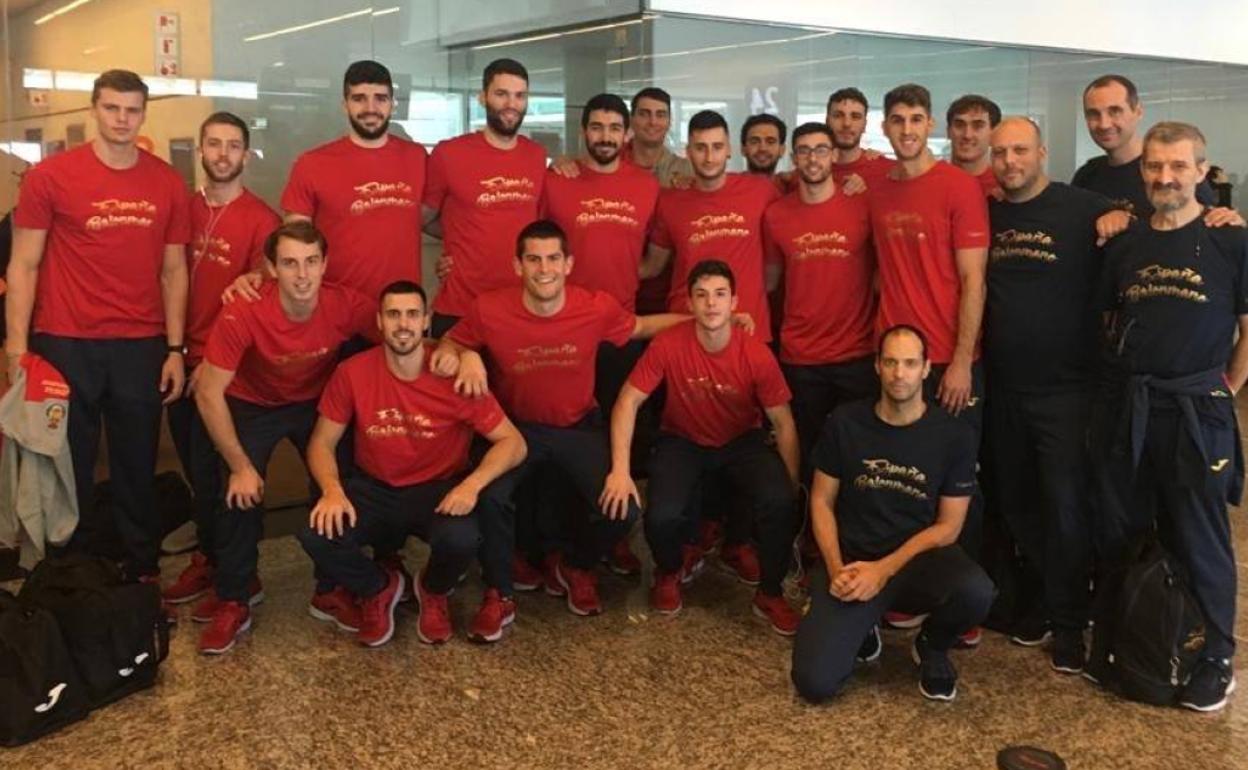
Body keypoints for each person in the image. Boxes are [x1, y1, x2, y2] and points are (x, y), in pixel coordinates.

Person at [434, 219, 693, 641]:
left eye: (553, 258)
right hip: (516, 434)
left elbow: (642, 328)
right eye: (533, 259)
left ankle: (575, 564)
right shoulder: (489, 308)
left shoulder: (594, 306)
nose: (544, 269)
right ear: (517, 266)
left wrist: (702, 319)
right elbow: (451, 342)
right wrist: (463, 355)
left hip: (577, 429)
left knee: (623, 509)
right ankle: (499, 593)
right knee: (491, 496)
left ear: (568, 264)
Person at [6, 69, 189, 582]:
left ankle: (140, 568)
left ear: (143, 114)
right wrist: (17, 349)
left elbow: (175, 270)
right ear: (94, 109)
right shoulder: (51, 178)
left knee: (136, 465)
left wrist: (175, 349)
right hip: (66, 342)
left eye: (132, 110)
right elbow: (23, 264)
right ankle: (73, 570)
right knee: (69, 465)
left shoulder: (167, 182)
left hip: (140, 344)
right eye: (112, 108)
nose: (121, 119)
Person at [1090, 121, 1246, 712]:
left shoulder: (1231, 240)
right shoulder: (1127, 242)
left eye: (1178, 166)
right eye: (1155, 166)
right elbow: (1109, 320)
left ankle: (1217, 658)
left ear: (1201, 172)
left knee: (1198, 532)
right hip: (1133, 406)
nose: (1165, 177)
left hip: (1195, 409)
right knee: (1125, 529)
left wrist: (1224, 386)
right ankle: (1127, 641)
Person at [297, 281, 526, 647]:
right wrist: (332, 490)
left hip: (436, 490)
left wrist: (472, 485)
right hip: (373, 490)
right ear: (380, 322)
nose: (403, 324)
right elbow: (322, 442)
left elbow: (514, 443)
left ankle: (433, 590)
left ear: (425, 321)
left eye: (411, 314)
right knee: (315, 534)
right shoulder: (353, 372)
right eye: (393, 314)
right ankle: (380, 587)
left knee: (462, 538)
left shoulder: (455, 375)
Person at [193, 220, 376, 654]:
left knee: (338, 485)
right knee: (238, 494)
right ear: (271, 268)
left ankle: (331, 588)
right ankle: (236, 596)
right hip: (252, 403)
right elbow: (207, 392)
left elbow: (404, 335)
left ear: (325, 264)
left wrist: (456, 354)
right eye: (290, 263)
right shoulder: (245, 309)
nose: (302, 275)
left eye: (312, 262)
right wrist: (240, 467)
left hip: (314, 401)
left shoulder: (345, 303)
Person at [790, 324, 992, 703]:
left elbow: (949, 527)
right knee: (814, 683)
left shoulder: (953, 435)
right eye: (892, 362)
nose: (900, 373)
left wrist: (883, 570)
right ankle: (863, 626)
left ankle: (932, 646)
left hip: (916, 561)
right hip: (853, 559)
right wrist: (836, 570)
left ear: (927, 368)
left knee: (976, 591)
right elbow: (820, 501)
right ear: (877, 367)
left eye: (910, 363)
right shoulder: (845, 422)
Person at [603, 260, 802, 636]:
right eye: (702, 295)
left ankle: (771, 593)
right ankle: (668, 570)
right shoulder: (669, 343)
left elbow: (784, 423)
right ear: (690, 304)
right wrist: (620, 469)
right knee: (661, 515)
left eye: (720, 295)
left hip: (741, 439)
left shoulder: (755, 353)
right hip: (683, 439)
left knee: (777, 501)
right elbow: (628, 401)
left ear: (734, 303)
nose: (711, 304)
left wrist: (790, 485)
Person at [983, 117, 1112, 670]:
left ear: (1042, 152)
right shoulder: (987, 212)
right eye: (1000, 152)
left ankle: (1069, 623)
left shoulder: (1083, 208)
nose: (1009, 161)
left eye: (1019, 150)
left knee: (1064, 508)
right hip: (1003, 388)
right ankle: (1045, 599)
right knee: (1014, 503)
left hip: (1066, 392)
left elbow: (1155, 220)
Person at [868, 83, 988, 643]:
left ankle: (959, 605)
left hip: (945, 362)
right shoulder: (875, 188)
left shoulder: (959, 187)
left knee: (954, 487)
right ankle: (905, 592)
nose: (908, 129)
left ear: (930, 123)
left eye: (917, 118)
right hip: (896, 364)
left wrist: (961, 360)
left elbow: (973, 280)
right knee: (901, 485)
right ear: (885, 127)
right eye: (897, 119)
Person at [163, 112, 281, 606]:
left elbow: (262, 292)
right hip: (178, 359)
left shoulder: (262, 220)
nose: (223, 154)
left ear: (246, 155)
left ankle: (229, 568)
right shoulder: (182, 211)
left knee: (219, 473)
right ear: (202, 150)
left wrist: (211, 363)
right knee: (194, 465)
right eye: (214, 144)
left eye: (234, 146)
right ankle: (212, 557)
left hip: (226, 370)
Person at [228, 61, 427, 305]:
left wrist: (455, 256)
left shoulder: (417, 158)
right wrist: (260, 273)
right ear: (345, 105)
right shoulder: (312, 164)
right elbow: (294, 244)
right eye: (359, 98)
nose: (370, 107)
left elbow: (437, 218)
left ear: (392, 104)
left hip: (402, 311)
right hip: (335, 312)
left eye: (380, 98)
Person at [763, 122, 876, 484]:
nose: (813, 158)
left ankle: (851, 531)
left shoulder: (862, 206)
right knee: (809, 448)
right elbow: (770, 282)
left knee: (857, 449)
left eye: (821, 149)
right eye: (805, 151)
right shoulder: (776, 215)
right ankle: (808, 529)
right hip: (800, 355)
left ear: (835, 155)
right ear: (794, 158)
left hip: (855, 354)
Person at [423, 58, 546, 337]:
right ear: (482, 97)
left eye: (519, 96)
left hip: (520, 307)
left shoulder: (536, 155)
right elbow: (422, 218)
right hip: (460, 308)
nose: (511, 104)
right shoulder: (449, 154)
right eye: (501, 94)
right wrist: (459, 242)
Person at [641, 110, 781, 345]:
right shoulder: (670, 200)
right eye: (700, 147)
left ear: (729, 150)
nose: (709, 157)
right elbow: (653, 266)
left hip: (749, 331)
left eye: (717, 147)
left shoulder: (762, 191)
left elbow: (804, 201)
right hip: (687, 330)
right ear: (687, 152)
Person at [1073, 74, 1217, 218]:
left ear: (1138, 111)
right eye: (1093, 114)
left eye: (1115, 111)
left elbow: (1211, 225)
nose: (1104, 124)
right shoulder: (1087, 176)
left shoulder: (1175, 174)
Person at [825, 87, 893, 187]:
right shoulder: (807, 174)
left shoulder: (888, 171)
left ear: (865, 124)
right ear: (827, 122)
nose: (847, 124)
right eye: (838, 115)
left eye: (855, 116)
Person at [946, 94, 1002, 198]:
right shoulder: (933, 182)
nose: (967, 135)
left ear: (994, 134)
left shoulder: (1005, 187)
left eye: (978, 126)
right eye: (959, 125)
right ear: (948, 131)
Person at [741, 113, 788, 178]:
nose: (763, 148)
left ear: (782, 150)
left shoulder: (790, 187)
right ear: (743, 149)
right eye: (754, 142)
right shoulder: (729, 186)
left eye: (770, 142)